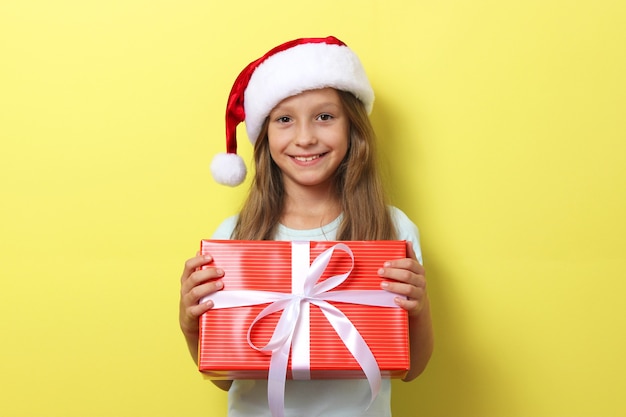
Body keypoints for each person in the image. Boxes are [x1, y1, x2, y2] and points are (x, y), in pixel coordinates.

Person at [179, 36, 433, 417]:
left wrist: (420, 305)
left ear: (353, 128)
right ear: (265, 135)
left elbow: (412, 368)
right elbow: (224, 376)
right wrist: (189, 322)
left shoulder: (392, 228)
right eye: (284, 119)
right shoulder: (234, 235)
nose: (305, 137)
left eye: (324, 116)